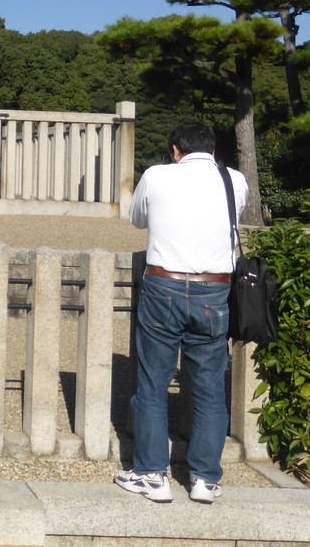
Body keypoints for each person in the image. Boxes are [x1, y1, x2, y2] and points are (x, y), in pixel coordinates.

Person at [115, 120, 248, 504]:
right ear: (213, 150)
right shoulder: (233, 181)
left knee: (153, 383)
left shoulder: (157, 176)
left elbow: (137, 218)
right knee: (209, 388)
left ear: (175, 150)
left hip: (163, 284)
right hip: (215, 290)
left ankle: (151, 474)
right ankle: (205, 479)